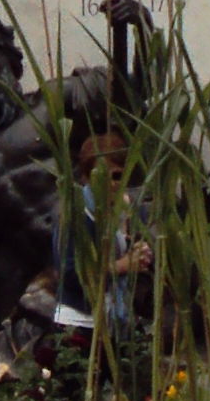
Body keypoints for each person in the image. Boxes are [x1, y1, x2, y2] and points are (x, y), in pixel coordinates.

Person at [52, 131, 152, 352]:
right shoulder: (75, 214)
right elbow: (69, 274)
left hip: (120, 319)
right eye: (101, 177)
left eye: (117, 176)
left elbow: (141, 257)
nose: (111, 184)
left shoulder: (134, 210)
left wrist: (143, 256)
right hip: (82, 322)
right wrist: (121, 266)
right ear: (87, 177)